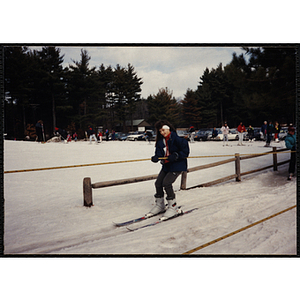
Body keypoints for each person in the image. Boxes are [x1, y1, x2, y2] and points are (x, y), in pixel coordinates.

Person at [147, 120, 190, 221]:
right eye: (160, 131)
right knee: (158, 183)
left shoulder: (178, 139)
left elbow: (185, 152)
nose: (162, 133)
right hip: (167, 166)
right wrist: (156, 157)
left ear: (168, 128)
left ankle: (173, 206)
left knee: (167, 183)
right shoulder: (160, 141)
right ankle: (160, 205)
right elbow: (158, 152)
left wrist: (175, 156)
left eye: (163, 130)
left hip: (177, 165)